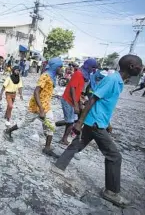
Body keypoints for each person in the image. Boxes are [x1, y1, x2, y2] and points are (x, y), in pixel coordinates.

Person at [51, 54, 143, 207]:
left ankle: (58, 165)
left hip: (98, 121)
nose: (142, 69)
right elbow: (92, 99)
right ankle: (111, 191)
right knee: (114, 156)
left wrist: (108, 123)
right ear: (132, 66)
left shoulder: (118, 81)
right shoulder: (112, 80)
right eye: (141, 66)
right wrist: (79, 122)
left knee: (78, 144)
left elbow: (105, 104)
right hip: (94, 123)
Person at [3, 57, 63, 158]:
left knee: (51, 125)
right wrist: (40, 109)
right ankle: (8, 131)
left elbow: (46, 91)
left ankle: (47, 147)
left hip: (46, 106)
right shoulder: (45, 76)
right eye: (60, 67)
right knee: (25, 122)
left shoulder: (52, 77)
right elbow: (36, 92)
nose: (62, 69)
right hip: (37, 107)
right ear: (55, 67)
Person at [59, 59, 97, 145]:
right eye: (93, 67)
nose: (93, 69)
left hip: (74, 100)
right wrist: (76, 105)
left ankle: (63, 134)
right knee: (70, 121)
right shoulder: (78, 74)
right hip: (68, 99)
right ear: (88, 66)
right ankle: (64, 139)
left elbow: (78, 91)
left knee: (73, 120)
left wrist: (79, 102)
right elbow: (72, 88)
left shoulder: (84, 75)